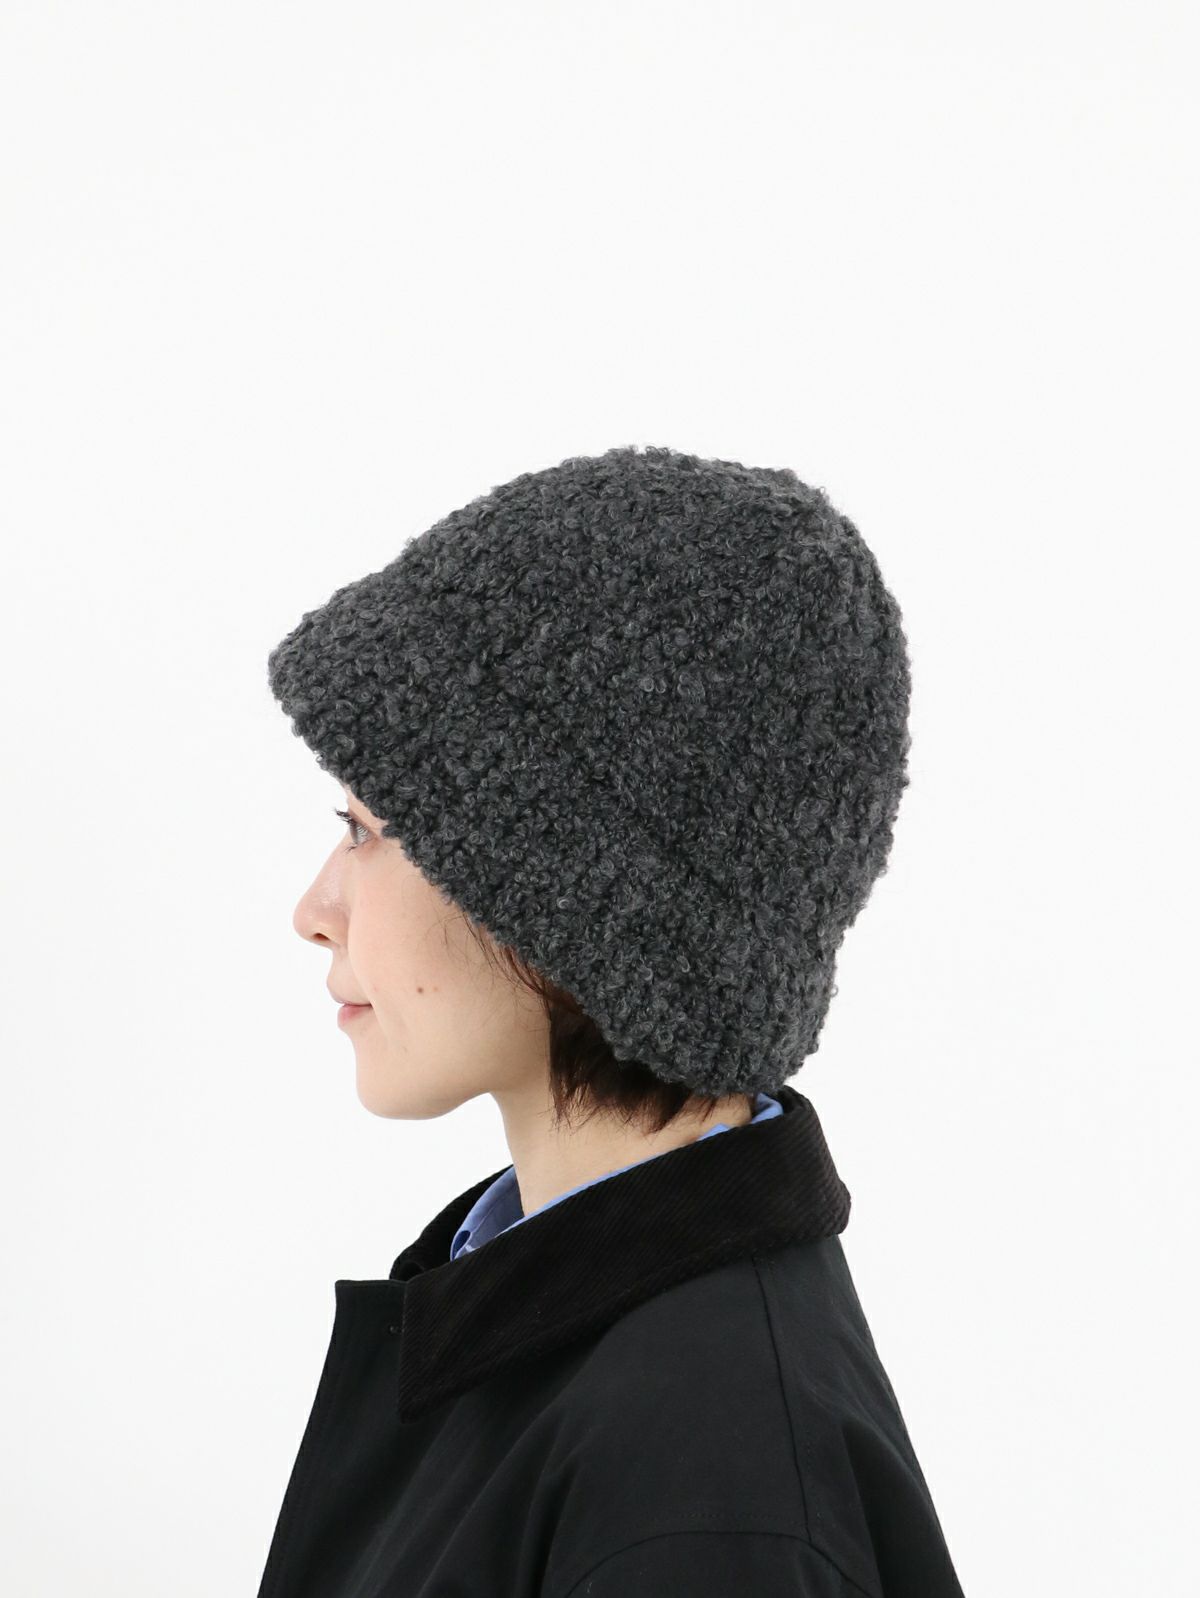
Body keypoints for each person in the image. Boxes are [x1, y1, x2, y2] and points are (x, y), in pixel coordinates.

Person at [253, 444, 966, 1598]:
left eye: (367, 830)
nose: (313, 909)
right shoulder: (560, 1322)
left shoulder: (704, 1493)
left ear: (562, 895)